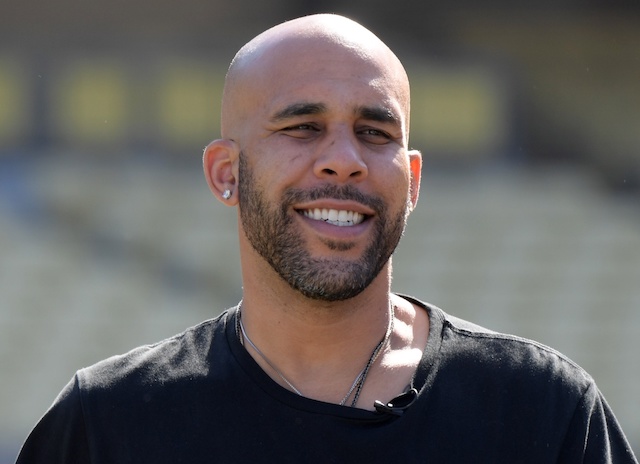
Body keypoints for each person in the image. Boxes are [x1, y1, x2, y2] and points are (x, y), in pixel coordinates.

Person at [16, 13, 637, 463]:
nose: (344, 160)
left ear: (413, 181)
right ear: (225, 173)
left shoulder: (542, 412)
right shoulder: (109, 424)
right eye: (303, 126)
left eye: (374, 133)